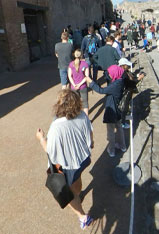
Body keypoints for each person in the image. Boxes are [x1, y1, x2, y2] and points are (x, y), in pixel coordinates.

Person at [36, 89, 94, 230]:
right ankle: (77, 194)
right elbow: (90, 135)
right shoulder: (82, 115)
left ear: (59, 104)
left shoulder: (56, 126)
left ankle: (83, 217)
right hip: (82, 158)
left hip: (66, 163)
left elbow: (50, 150)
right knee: (76, 178)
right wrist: (90, 144)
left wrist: (41, 138)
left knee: (63, 192)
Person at [86, 65, 126, 157]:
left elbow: (101, 90)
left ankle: (111, 150)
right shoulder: (120, 80)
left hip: (111, 110)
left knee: (111, 131)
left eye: (111, 74)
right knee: (119, 128)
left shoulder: (116, 85)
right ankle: (122, 146)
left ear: (115, 74)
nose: (110, 75)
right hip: (118, 109)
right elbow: (110, 80)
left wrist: (91, 82)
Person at [119, 58, 145, 129]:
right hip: (126, 92)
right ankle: (122, 123)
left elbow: (132, 77)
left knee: (125, 106)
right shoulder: (123, 74)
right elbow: (130, 83)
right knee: (124, 107)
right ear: (123, 65)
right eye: (127, 65)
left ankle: (122, 120)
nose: (128, 66)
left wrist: (137, 76)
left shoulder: (126, 71)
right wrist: (139, 79)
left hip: (128, 92)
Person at [68, 49, 89, 116]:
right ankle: (86, 119)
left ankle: (76, 116)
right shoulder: (85, 64)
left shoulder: (71, 64)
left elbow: (69, 76)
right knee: (85, 103)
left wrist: (74, 85)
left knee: (74, 102)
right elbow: (87, 76)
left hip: (73, 87)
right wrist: (80, 84)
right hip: (83, 86)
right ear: (81, 55)